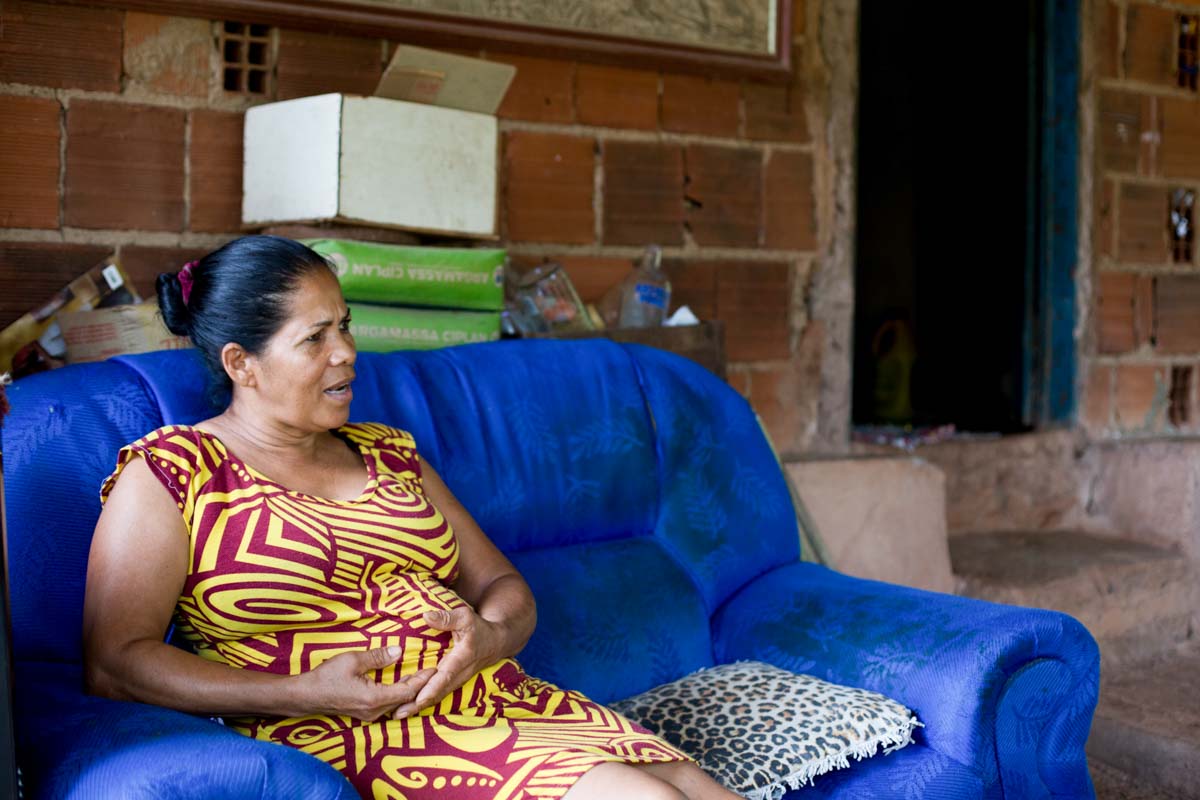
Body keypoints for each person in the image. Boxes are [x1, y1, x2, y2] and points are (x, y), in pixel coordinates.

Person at [82, 236, 740, 800]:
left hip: (497, 699)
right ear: (241, 364)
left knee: (699, 789)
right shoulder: (175, 472)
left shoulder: (387, 454)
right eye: (315, 338)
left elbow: (504, 589)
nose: (345, 353)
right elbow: (114, 662)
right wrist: (301, 692)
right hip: (356, 730)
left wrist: (490, 638)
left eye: (345, 326)